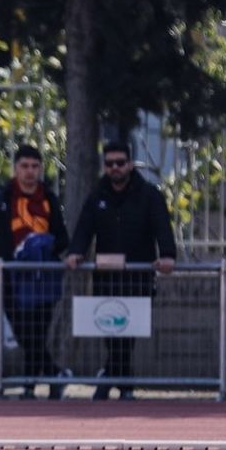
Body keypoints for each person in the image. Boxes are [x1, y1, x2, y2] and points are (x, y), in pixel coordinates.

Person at [66, 141, 176, 401]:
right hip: (106, 276)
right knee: (111, 331)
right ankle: (122, 381)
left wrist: (167, 255)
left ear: (129, 164)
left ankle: (111, 379)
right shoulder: (97, 195)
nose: (115, 168)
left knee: (129, 331)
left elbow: (162, 227)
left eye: (120, 162)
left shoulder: (149, 195)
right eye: (109, 163)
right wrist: (76, 251)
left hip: (138, 276)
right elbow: (84, 227)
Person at [0, 145, 70, 399]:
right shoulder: (2, 196)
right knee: (24, 331)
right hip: (10, 276)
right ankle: (54, 374)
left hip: (42, 277)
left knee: (38, 332)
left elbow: (62, 237)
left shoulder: (49, 198)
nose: (29, 172)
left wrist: (43, 247)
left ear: (40, 169)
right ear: (15, 168)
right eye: (24, 166)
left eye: (34, 166)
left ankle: (30, 386)